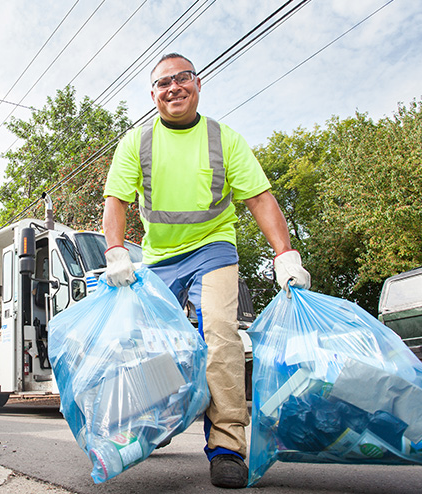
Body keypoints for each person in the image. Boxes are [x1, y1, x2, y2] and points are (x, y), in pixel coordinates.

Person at [102, 53, 311, 489]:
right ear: (153, 93)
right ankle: (156, 419)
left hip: (214, 247)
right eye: (163, 83)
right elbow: (116, 203)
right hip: (158, 256)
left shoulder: (224, 139)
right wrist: (117, 251)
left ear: (198, 84)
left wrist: (285, 254)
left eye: (182, 79)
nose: (173, 87)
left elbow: (259, 199)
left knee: (219, 333)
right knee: (148, 343)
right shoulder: (136, 143)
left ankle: (227, 447)